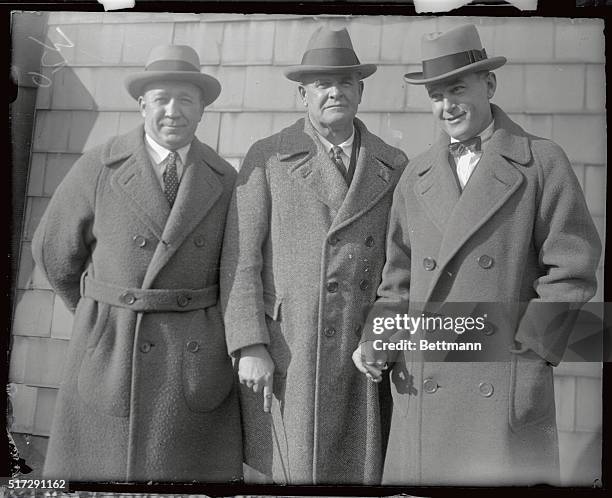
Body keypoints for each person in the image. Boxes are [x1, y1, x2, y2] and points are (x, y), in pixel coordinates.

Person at [353, 24, 601, 485]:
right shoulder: (416, 175)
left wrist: (530, 358)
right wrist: (377, 336)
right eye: (436, 95)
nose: (447, 106)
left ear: (489, 84)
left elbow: (572, 267)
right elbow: (398, 276)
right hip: (424, 383)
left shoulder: (542, 163)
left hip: (500, 382)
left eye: (458, 89)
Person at [32, 44, 242, 482]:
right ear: (142, 103)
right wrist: (101, 312)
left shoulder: (225, 180)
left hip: (193, 354)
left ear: (202, 109)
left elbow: (236, 272)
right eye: (161, 98)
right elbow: (54, 250)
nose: (173, 111)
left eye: (186, 100)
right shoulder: (101, 165)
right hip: (112, 345)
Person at [220, 26, 408, 484]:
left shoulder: (393, 164)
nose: (335, 92)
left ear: (360, 92)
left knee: (353, 476)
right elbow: (240, 259)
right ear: (302, 94)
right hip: (290, 351)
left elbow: (401, 267)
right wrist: (250, 344)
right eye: (323, 84)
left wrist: (382, 334)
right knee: (293, 474)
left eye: (345, 82)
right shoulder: (268, 157)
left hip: (360, 349)